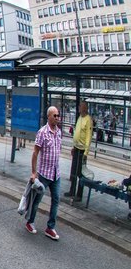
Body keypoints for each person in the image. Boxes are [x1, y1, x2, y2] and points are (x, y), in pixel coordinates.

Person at [27, 106, 62, 241]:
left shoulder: (59, 132)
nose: (57, 118)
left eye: (58, 115)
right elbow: (35, 153)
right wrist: (34, 172)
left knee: (56, 200)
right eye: (55, 115)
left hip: (56, 174)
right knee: (37, 201)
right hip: (44, 174)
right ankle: (30, 222)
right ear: (48, 116)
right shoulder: (42, 132)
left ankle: (50, 227)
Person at [66, 101, 92, 202]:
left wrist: (86, 153)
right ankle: (72, 190)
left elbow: (88, 137)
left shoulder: (88, 119)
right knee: (73, 171)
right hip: (76, 148)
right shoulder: (80, 117)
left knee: (80, 173)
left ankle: (79, 195)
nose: (79, 107)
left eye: (80, 106)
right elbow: (76, 132)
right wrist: (73, 146)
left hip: (82, 150)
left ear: (85, 108)